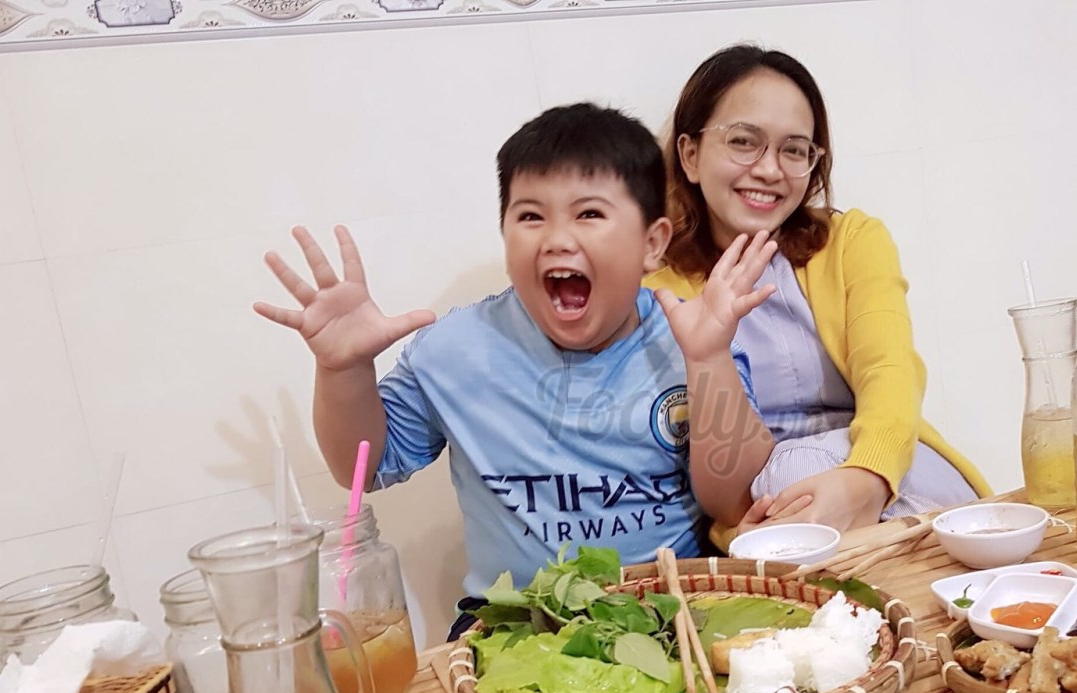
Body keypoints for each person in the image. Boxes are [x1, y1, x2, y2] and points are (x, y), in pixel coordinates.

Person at [253, 103, 775, 638]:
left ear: (652, 243)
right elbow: (362, 467)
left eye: (588, 214)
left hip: (668, 610)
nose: (557, 238)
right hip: (510, 624)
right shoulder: (456, 349)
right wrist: (343, 370)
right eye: (530, 216)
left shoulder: (690, 336)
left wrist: (708, 359)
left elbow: (731, 499)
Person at [647, 44, 991, 538]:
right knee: (793, 471)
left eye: (793, 150)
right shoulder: (656, 292)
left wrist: (867, 478)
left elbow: (890, 373)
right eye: (743, 141)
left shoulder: (852, 241)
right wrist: (749, 525)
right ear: (691, 155)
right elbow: (694, 459)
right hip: (773, 507)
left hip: (892, 472)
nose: (770, 170)